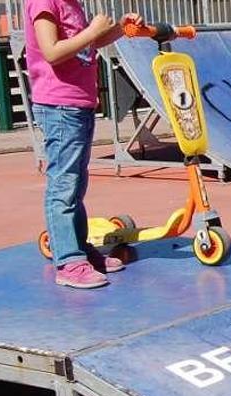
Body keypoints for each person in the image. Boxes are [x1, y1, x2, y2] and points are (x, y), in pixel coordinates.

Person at [25, 0, 144, 288]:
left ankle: (79, 249)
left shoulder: (72, 4)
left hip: (79, 103)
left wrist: (117, 29)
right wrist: (92, 31)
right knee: (64, 184)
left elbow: (86, 44)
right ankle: (68, 261)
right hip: (59, 105)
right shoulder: (44, 2)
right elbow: (52, 52)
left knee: (76, 183)